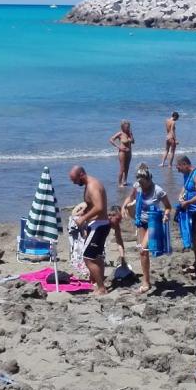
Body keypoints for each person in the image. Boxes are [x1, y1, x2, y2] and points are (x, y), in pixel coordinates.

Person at [123, 165, 173, 295]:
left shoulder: (158, 190)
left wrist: (166, 214)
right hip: (140, 221)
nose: (142, 187)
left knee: (143, 250)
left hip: (153, 222)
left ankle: (146, 283)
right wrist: (124, 206)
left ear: (149, 180)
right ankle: (146, 281)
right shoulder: (138, 187)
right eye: (140, 183)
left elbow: (168, 207)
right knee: (143, 253)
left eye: (144, 184)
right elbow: (131, 197)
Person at [68, 165, 110, 295]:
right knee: (96, 256)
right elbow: (93, 204)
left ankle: (101, 288)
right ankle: (99, 281)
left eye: (75, 180)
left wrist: (84, 218)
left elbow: (99, 207)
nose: (75, 183)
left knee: (87, 257)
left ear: (81, 174)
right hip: (98, 224)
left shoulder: (92, 185)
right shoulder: (88, 185)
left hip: (99, 225)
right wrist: (84, 211)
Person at [175, 155, 196, 277]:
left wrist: (187, 202)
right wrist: (181, 196)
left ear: (185, 164)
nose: (177, 170)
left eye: (178, 167)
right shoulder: (187, 174)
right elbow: (185, 188)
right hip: (190, 212)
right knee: (194, 240)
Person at [109, 120, 135, 186]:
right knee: (122, 168)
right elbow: (111, 140)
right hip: (122, 153)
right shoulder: (120, 133)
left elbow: (133, 142)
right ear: (123, 127)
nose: (128, 128)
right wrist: (119, 147)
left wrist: (131, 135)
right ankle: (119, 183)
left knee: (127, 168)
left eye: (128, 127)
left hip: (129, 152)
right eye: (127, 127)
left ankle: (125, 181)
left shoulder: (129, 133)